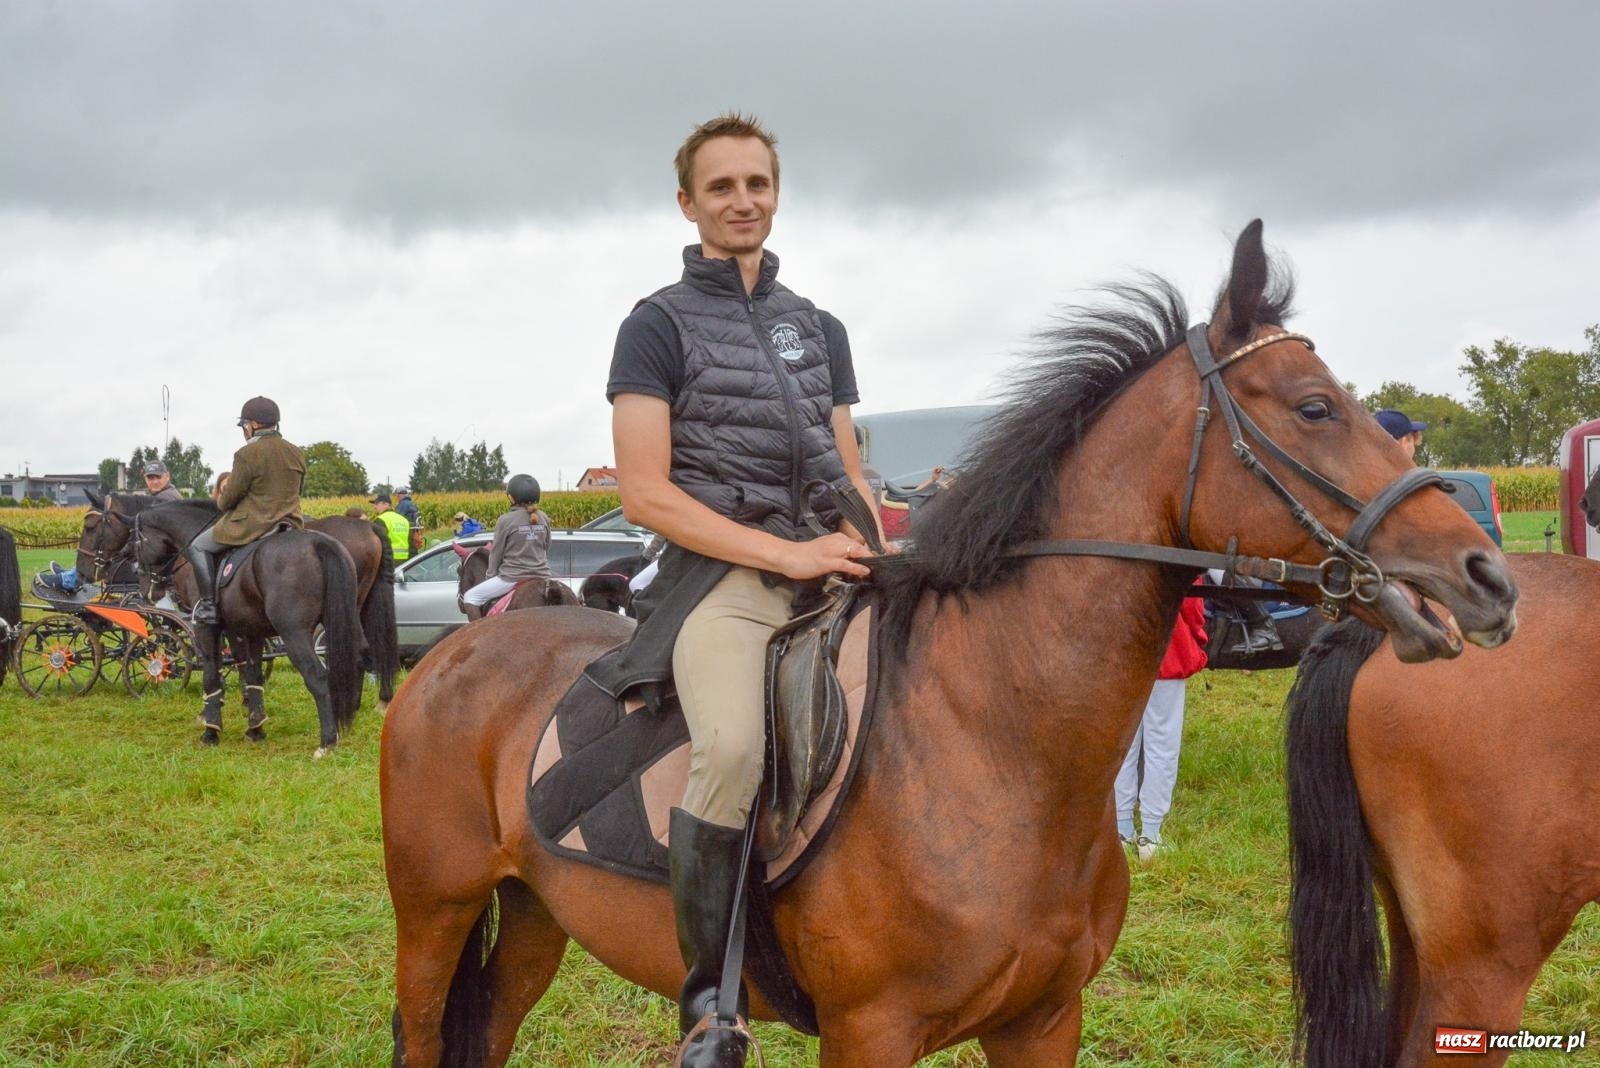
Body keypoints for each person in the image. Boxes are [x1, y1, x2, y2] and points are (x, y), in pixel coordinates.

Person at [604, 112, 880, 1064]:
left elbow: (849, 466)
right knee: (728, 747)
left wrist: (875, 540)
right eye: (720, 187)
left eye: (756, 183)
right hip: (725, 579)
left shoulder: (819, 326)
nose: (742, 201)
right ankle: (712, 1007)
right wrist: (786, 556)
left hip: (832, 565)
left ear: (776, 192)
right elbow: (645, 490)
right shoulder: (656, 324)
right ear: (688, 203)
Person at [185, 397, 305, 625]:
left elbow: (227, 500)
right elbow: (298, 490)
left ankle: (209, 607)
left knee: (198, 546)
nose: (244, 431)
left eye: (244, 426)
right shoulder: (296, 452)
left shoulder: (246, 454)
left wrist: (224, 495)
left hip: (255, 525)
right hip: (290, 522)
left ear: (253, 425)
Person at [1116, 590, 1210, 862]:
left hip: (1123, 649)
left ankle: (1122, 829)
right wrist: (1196, 637)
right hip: (1168, 646)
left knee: (1124, 743)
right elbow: (1192, 601)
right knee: (1162, 743)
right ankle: (1151, 834)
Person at [459, 475, 551, 616]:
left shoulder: (505, 520)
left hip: (512, 578)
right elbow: (547, 546)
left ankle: (483, 637)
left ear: (512, 498)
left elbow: (496, 554)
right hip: (543, 576)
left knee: (471, 597)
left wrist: (490, 577)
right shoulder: (543, 517)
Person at [371, 493, 412, 563]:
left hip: (388, 560)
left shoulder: (381, 519)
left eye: (377, 504)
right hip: (405, 560)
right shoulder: (404, 520)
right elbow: (411, 542)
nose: (374, 507)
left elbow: (376, 543)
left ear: (386, 504)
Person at [395, 487, 424, 555]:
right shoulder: (412, 504)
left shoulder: (403, 504)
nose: (397, 497)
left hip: (407, 532)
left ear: (400, 495)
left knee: (408, 553)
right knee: (414, 552)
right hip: (415, 532)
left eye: (397, 495)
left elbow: (396, 519)